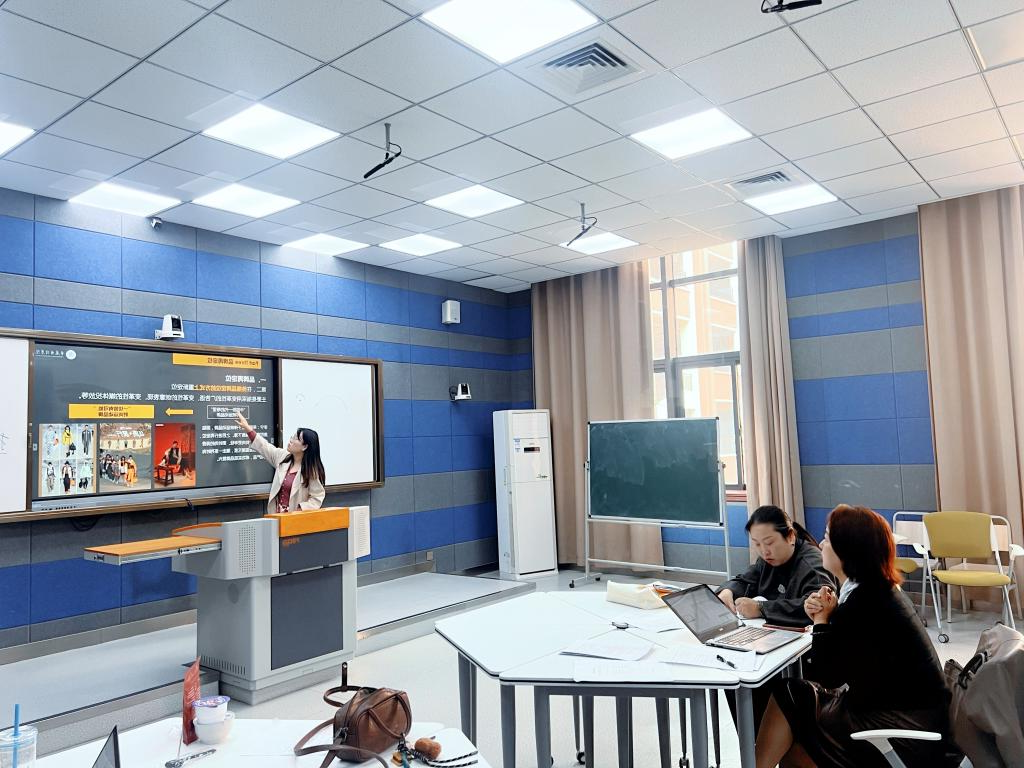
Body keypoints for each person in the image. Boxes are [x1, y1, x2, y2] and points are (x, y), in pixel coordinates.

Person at [755, 505, 962, 768]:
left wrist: (821, 620)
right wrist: (830, 615)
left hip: (901, 732)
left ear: (847, 551)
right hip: (909, 717)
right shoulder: (875, 591)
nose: (821, 544)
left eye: (828, 538)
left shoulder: (864, 604)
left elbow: (826, 675)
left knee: (790, 696)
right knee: (795, 730)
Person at [718, 505, 835, 625]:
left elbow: (819, 605)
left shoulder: (812, 564)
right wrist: (728, 591)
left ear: (790, 536)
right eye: (757, 544)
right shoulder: (767, 559)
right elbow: (746, 580)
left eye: (769, 543)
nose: (764, 551)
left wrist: (761, 608)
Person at [234, 411, 325, 514]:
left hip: (295, 519)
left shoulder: (311, 471)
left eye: (296, 439)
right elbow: (265, 447)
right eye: (293, 436)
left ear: (305, 447)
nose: (291, 440)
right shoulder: (283, 457)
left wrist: (300, 510)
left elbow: (317, 497)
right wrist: (247, 428)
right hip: (276, 516)